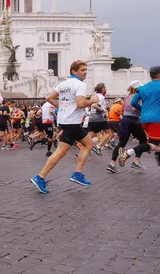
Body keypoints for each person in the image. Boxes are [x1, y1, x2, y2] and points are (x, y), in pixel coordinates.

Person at [30, 60, 98, 194]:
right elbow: (80, 103)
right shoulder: (80, 84)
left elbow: (49, 97)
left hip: (66, 120)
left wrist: (62, 107)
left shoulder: (63, 84)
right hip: (72, 122)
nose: (85, 72)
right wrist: (92, 101)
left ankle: (77, 173)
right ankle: (40, 177)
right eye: (82, 70)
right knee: (60, 152)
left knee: (88, 144)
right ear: (74, 71)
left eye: (86, 70)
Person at [119, 66, 160, 168]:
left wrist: (143, 111)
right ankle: (129, 152)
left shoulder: (142, 88)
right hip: (157, 120)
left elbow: (133, 102)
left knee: (155, 144)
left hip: (144, 119)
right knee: (153, 146)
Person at [107, 81, 147, 172]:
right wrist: (143, 111)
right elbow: (134, 108)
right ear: (137, 88)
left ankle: (112, 163)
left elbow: (125, 109)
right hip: (134, 120)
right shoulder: (138, 97)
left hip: (125, 120)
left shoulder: (126, 97)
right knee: (143, 141)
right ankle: (136, 161)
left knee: (121, 143)